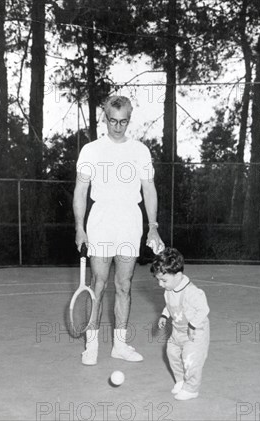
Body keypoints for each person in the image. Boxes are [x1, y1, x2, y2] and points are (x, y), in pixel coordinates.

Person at [73, 95, 164, 366]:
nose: (117, 127)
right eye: (112, 121)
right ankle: (91, 346)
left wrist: (153, 227)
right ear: (105, 118)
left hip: (130, 222)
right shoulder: (90, 150)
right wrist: (80, 226)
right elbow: (81, 190)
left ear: (129, 119)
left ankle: (120, 345)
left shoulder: (140, 151)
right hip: (100, 221)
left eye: (123, 122)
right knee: (97, 285)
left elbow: (149, 189)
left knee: (124, 285)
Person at [151, 247, 210, 401]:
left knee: (190, 359)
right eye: (157, 279)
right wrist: (164, 315)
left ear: (178, 275)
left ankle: (191, 389)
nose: (160, 284)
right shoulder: (169, 289)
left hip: (194, 332)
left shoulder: (192, 292)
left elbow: (204, 309)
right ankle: (181, 381)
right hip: (177, 331)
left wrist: (192, 325)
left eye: (163, 280)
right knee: (171, 353)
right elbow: (170, 305)